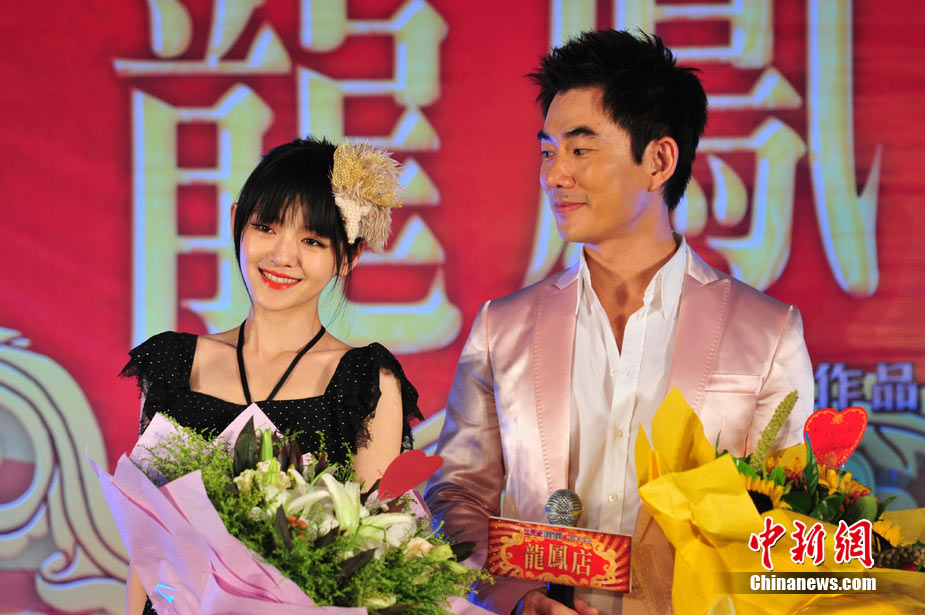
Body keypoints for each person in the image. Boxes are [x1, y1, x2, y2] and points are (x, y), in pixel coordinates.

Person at [424, 30, 814, 615]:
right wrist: (516, 598)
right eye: (548, 152)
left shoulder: (767, 332)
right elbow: (456, 493)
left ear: (658, 161)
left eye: (580, 151)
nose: (555, 175)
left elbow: (790, 520)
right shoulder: (501, 328)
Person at [120, 137, 423, 615]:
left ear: (349, 256)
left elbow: (374, 556)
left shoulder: (363, 381)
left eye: (312, 241)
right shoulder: (173, 364)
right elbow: (149, 546)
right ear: (236, 222)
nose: (282, 255)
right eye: (266, 227)